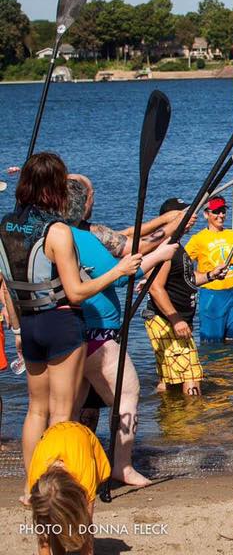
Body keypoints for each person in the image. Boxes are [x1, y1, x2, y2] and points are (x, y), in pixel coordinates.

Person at [0, 153, 140, 502]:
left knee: (35, 410)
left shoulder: (4, 225)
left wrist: (16, 331)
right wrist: (116, 273)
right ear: (53, 189)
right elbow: (76, 292)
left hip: (29, 326)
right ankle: (55, 489)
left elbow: (7, 286)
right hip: (61, 324)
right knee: (63, 413)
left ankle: (30, 487)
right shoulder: (58, 231)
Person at [62, 179, 178, 487]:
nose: (94, 198)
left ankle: (66, 466)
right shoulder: (83, 237)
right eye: (91, 194)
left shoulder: (50, 235)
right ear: (82, 202)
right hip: (98, 335)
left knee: (69, 407)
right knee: (127, 396)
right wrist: (161, 255)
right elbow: (120, 276)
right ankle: (121, 466)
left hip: (65, 334)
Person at [145, 198, 228, 396]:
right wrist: (175, 319)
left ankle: (167, 419)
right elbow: (156, 288)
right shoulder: (166, 248)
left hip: (174, 319)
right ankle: (191, 423)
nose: (193, 219)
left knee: (169, 378)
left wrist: (210, 275)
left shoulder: (177, 246)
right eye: (185, 215)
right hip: (166, 319)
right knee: (191, 375)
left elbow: (187, 279)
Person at [27, 421, 111, 555]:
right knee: (49, 523)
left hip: (82, 438)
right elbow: (43, 539)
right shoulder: (37, 482)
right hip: (53, 438)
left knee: (81, 525)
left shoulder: (84, 478)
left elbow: (86, 526)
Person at [184, 195, 233, 343]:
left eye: (223, 211)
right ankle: (213, 367)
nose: (221, 215)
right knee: (212, 344)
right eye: (216, 211)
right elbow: (180, 265)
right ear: (206, 214)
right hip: (211, 295)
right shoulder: (198, 239)